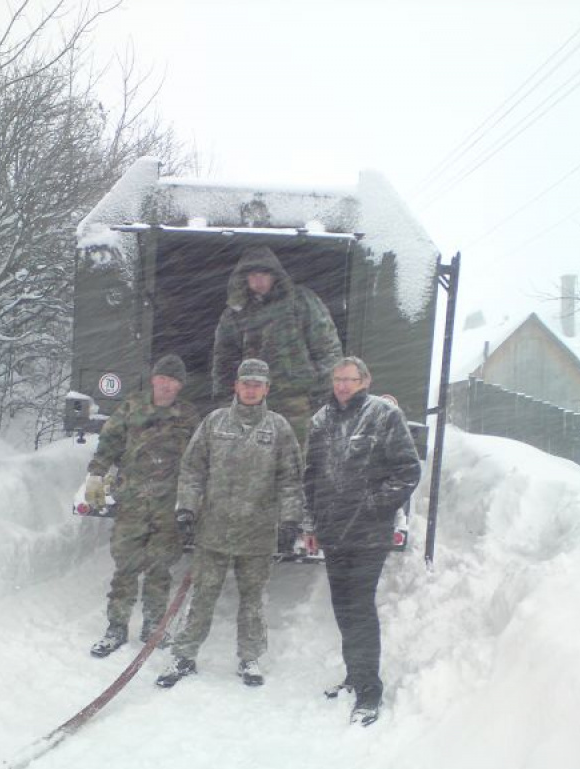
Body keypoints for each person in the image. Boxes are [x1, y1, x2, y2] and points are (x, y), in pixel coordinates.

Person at [156, 358, 303, 689]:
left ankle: (249, 658)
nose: (251, 389)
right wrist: (186, 510)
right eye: (246, 383)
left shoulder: (278, 428)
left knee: (252, 601)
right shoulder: (215, 423)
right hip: (215, 530)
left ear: (267, 389)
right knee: (203, 596)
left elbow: (291, 479)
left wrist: (290, 519)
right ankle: (184, 655)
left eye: (258, 384)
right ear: (236, 386)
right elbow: (193, 469)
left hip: (258, 532)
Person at [303, 356, 421, 725]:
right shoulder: (321, 420)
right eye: (338, 379)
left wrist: (371, 504)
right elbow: (311, 477)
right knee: (343, 607)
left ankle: (370, 690)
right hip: (334, 532)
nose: (342, 385)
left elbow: (408, 471)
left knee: (360, 606)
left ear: (365, 381)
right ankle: (355, 676)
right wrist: (312, 524)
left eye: (350, 379)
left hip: (369, 532)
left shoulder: (384, 415)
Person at [85, 354, 199, 657]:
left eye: (173, 380)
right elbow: (109, 442)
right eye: (163, 378)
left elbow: (198, 459)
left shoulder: (188, 415)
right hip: (133, 500)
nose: (167, 385)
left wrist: (197, 497)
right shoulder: (131, 407)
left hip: (167, 504)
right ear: (154, 379)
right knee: (126, 566)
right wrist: (96, 475)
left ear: (180, 385)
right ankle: (116, 627)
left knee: (160, 568)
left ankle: (153, 626)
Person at [211, 245, 342, 447]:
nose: (259, 280)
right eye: (253, 275)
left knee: (297, 462)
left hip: (296, 401)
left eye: (264, 274)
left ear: (275, 276)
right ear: (244, 278)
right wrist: (225, 400)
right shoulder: (235, 314)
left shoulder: (301, 302)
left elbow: (326, 349)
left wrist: (325, 394)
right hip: (251, 402)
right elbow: (224, 360)